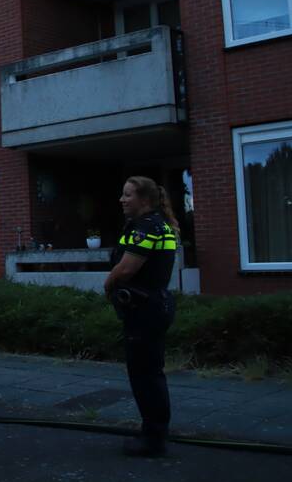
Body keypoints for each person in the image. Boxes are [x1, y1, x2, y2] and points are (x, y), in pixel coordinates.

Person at [104, 175, 179, 457]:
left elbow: (126, 269)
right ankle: (154, 431)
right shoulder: (159, 226)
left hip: (144, 310)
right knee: (150, 372)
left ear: (144, 200)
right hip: (154, 306)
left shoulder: (145, 229)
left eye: (128, 195)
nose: (122, 200)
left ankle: (153, 438)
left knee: (145, 375)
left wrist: (108, 285)